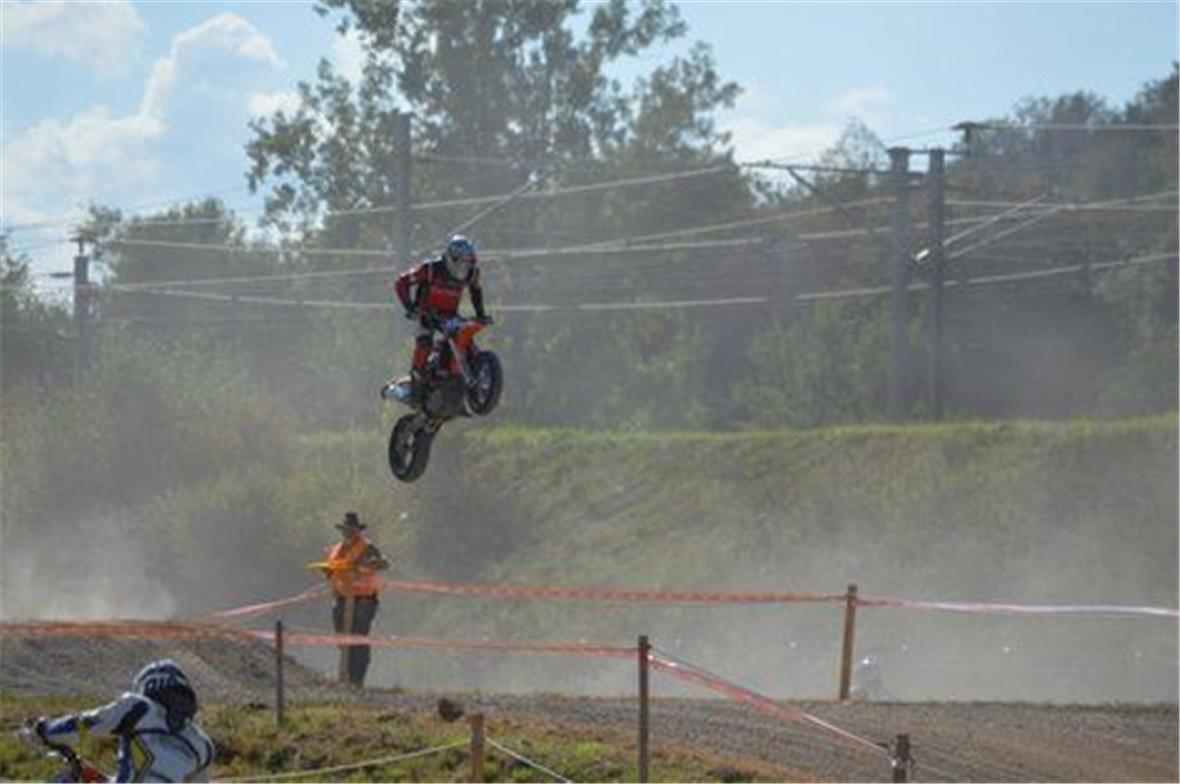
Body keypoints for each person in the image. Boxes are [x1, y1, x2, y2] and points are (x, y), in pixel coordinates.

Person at [22, 658, 214, 782]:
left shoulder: (139, 707)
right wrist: (98, 778)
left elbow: (85, 724)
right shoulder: (203, 743)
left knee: (64, 774)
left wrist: (44, 730)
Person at [393, 234, 492, 401]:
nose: (463, 266)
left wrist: (481, 314)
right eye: (460, 261)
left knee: (466, 341)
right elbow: (401, 282)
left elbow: (475, 291)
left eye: (468, 262)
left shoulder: (472, 273)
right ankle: (416, 389)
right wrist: (410, 307)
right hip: (426, 313)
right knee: (424, 344)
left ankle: (470, 381)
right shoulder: (431, 269)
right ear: (450, 258)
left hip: (449, 315)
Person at [318, 511, 389, 688]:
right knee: (342, 637)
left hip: (364, 599)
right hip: (342, 598)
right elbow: (331, 572)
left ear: (358, 531)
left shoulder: (368, 548)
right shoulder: (335, 550)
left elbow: (384, 564)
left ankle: (357, 680)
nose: (348, 532)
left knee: (358, 638)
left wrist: (364, 565)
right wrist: (328, 572)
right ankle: (346, 676)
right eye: (346, 529)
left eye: (352, 529)